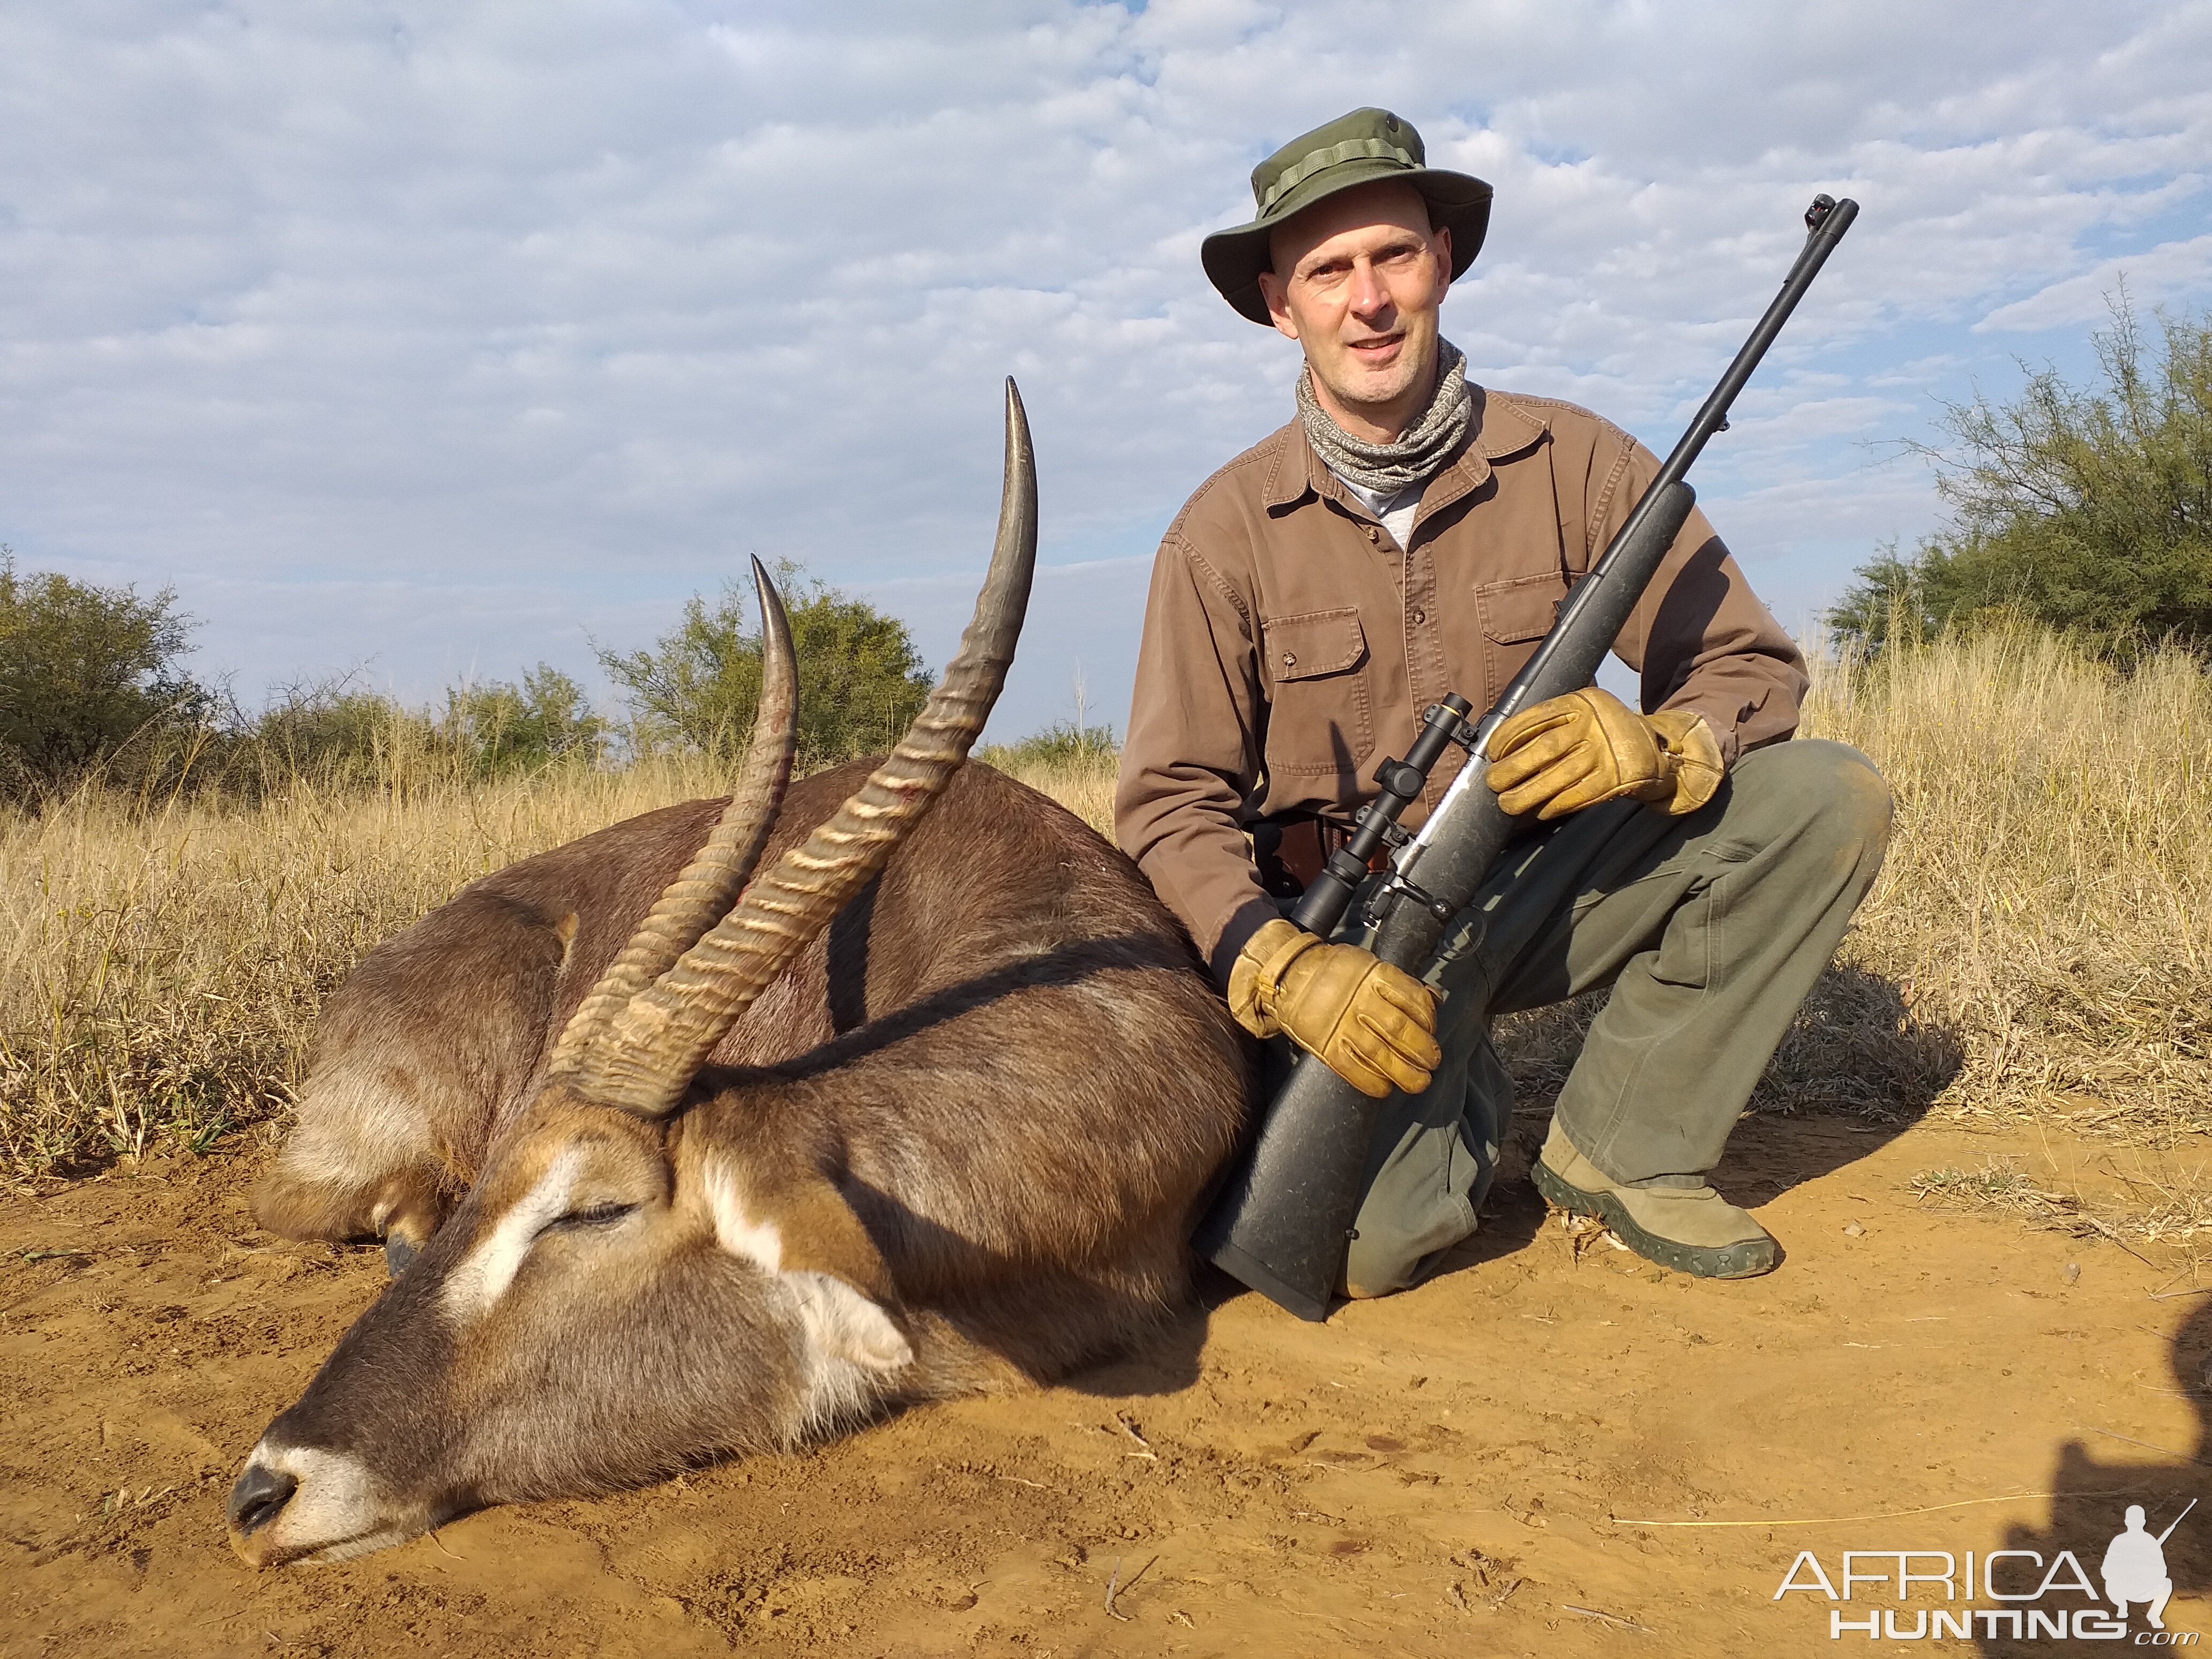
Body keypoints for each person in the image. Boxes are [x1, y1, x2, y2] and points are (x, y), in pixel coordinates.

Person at [1115, 106, 1892, 1297]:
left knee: (1823, 796)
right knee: (1363, 1256)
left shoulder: (1584, 463)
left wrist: (1661, 744)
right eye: (1329, 271)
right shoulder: (1218, 535)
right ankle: (1450, 1074)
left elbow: (1752, 671)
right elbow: (1171, 804)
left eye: (1394, 256)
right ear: (1281, 303)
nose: (1367, 299)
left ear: (1445, 262)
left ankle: (1627, 1151)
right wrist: (1279, 965)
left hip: (1540, 887)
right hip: (1358, 946)